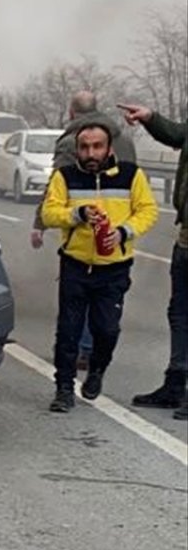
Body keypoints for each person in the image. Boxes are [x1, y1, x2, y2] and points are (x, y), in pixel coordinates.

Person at [40, 122, 159, 412]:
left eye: (97, 146)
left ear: (108, 148)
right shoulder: (65, 177)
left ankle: (97, 370)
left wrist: (123, 232)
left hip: (114, 268)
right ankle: (64, 389)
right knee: (68, 331)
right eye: (84, 147)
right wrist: (77, 214)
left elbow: (148, 210)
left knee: (106, 330)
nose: (90, 152)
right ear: (77, 149)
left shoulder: (131, 175)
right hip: (75, 265)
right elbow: (49, 212)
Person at [29, 91, 139, 369]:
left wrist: (40, 222)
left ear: (71, 112)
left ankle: (81, 348)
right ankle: (93, 346)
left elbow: (58, 182)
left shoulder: (73, 142)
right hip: (118, 224)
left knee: (80, 288)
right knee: (106, 291)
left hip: (83, 220)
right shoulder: (121, 139)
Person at [119, 102, 187, 421]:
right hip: (186, 237)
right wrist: (150, 119)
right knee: (179, 312)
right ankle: (175, 384)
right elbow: (177, 133)